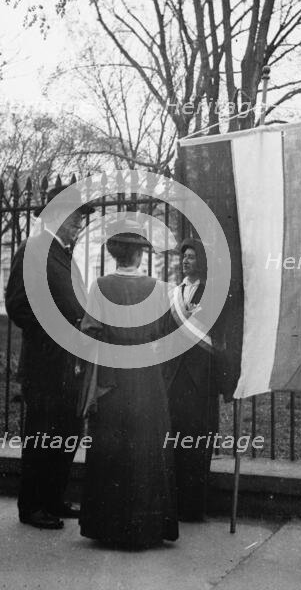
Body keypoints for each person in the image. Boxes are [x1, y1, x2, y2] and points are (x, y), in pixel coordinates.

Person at [78, 217, 179, 549]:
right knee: (147, 449)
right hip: (147, 380)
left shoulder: (99, 287)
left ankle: (108, 526)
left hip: (112, 379)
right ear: (139, 254)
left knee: (110, 449)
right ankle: (146, 527)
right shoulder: (160, 289)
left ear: (114, 254)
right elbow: (168, 337)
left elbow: (88, 334)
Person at [5, 185, 94, 530]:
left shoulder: (63, 255)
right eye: (74, 218)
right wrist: (64, 326)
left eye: (81, 220)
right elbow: (17, 305)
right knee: (43, 435)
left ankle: (53, 499)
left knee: (67, 432)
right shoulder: (33, 250)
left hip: (69, 364)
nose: (78, 226)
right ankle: (33, 507)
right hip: (45, 364)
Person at [165, 237, 221, 522]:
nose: (186, 261)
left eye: (192, 257)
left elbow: (220, 335)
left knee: (198, 443)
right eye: (184, 256)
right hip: (175, 379)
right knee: (175, 440)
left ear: (203, 262)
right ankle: (173, 503)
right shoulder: (174, 293)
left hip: (201, 381)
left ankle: (194, 507)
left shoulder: (214, 293)